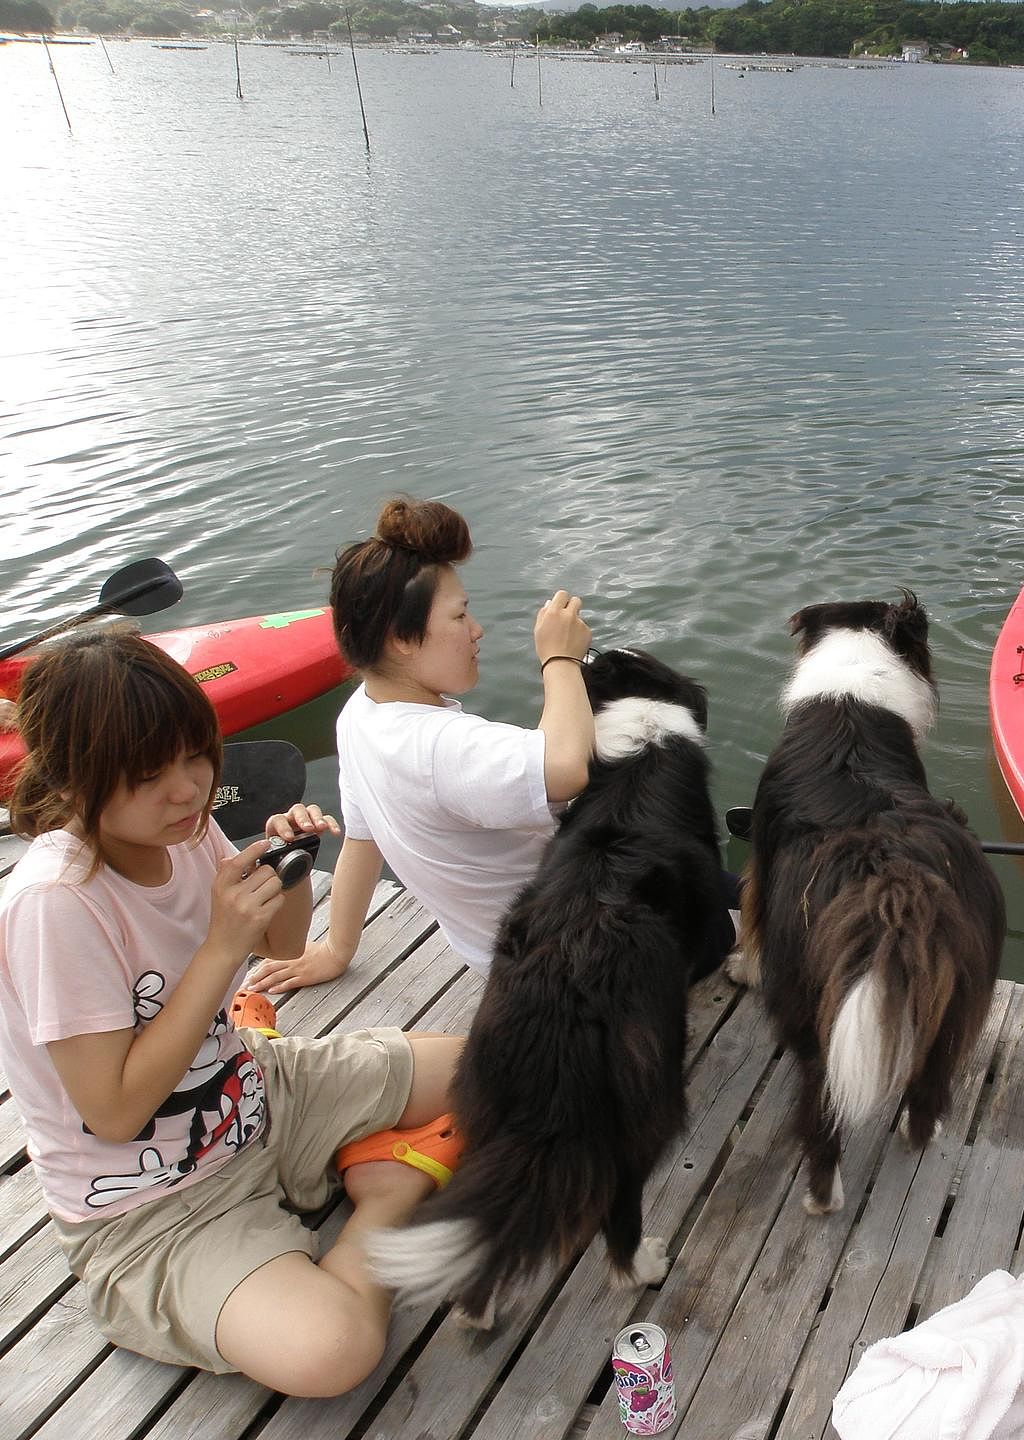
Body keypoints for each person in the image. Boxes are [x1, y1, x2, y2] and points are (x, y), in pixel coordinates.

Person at [0, 629, 461, 1394]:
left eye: (196, 754)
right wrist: (218, 947)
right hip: (151, 1203)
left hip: (251, 1092)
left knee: (497, 1069)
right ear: (79, 781)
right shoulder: (56, 905)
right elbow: (112, 1113)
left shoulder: (180, 824)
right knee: (333, 1351)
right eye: (151, 773)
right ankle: (389, 1190)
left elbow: (279, 943)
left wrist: (287, 873)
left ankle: (340, 1162)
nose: (188, 788)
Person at [245, 498, 595, 993]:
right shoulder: (440, 746)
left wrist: (336, 948)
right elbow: (567, 767)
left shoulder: (360, 717)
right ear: (401, 639)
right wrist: (560, 659)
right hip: (575, 958)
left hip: (498, 956)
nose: (477, 630)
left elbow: (363, 840)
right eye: (459, 615)